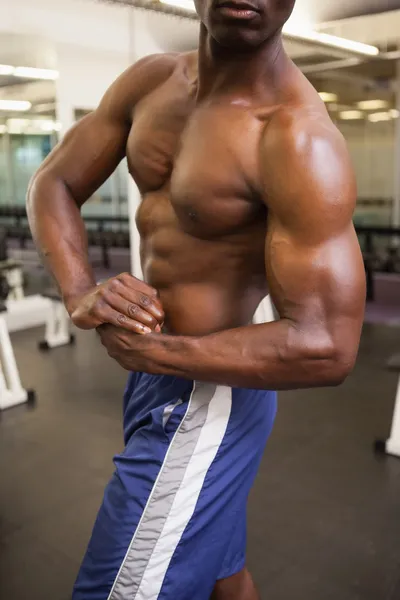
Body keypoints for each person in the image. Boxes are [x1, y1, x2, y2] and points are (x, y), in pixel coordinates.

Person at [27, 0, 366, 598]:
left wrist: (154, 354)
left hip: (208, 398)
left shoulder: (294, 136)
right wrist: (80, 290)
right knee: (220, 572)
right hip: (157, 377)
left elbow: (327, 346)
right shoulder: (152, 82)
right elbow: (53, 180)